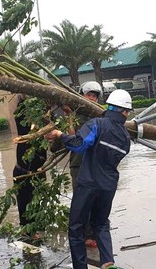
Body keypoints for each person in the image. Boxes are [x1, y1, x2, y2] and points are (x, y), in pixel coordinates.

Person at [45, 89, 133, 269]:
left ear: (109, 106)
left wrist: (60, 135)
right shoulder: (125, 138)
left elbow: (80, 145)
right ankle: (107, 261)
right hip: (108, 186)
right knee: (101, 223)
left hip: (88, 183)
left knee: (76, 228)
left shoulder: (97, 124)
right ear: (125, 112)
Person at [68, 81, 103, 248]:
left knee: (97, 200)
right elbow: (71, 139)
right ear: (82, 95)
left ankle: (95, 231)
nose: (92, 98)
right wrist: (69, 116)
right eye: (89, 95)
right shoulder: (74, 115)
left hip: (96, 165)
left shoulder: (100, 117)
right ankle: (85, 234)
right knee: (82, 202)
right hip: (78, 164)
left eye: (95, 96)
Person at [12, 95, 47, 229]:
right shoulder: (22, 121)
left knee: (39, 205)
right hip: (23, 172)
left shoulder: (44, 125)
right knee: (24, 205)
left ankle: (39, 229)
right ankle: (27, 232)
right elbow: (20, 112)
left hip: (39, 171)